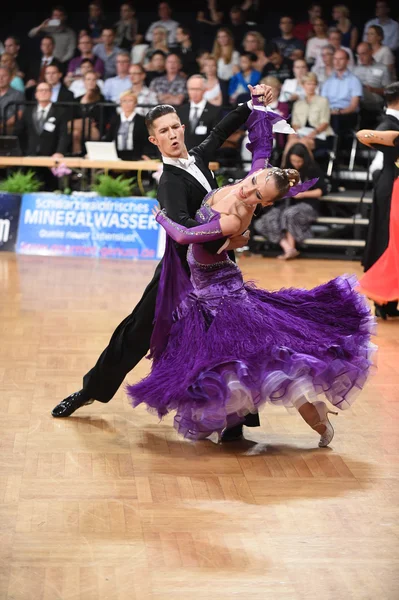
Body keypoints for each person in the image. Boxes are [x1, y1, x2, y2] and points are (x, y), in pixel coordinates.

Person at [126, 98, 375, 445]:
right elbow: (260, 143)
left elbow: (183, 234)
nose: (249, 190)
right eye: (254, 181)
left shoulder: (233, 217)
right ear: (257, 170)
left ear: (265, 202)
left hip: (224, 299)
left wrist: (160, 217)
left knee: (272, 365)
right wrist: (257, 106)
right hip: (206, 293)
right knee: (232, 367)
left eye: (258, 195)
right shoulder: (249, 176)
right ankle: (234, 429)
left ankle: (319, 422)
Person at [50, 83, 275, 428]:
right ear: (154, 140)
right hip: (179, 273)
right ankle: (89, 390)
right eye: (163, 132)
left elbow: (222, 129)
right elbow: (183, 229)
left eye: (174, 127)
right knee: (137, 333)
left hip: (216, 268)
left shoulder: (198, 157)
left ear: (182, 128)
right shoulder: (170, 182)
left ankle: (237, 417)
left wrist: (252, 102)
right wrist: (232, 233)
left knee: (229, 337)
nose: (171, 135)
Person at [360, 81, 399, 318]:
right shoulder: (390, 123)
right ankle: (383, 301)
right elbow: (363, 136)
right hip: (391, 188)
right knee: (387, 241)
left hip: (393, 186)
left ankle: (389, 300)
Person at [254, 142, 328, 259]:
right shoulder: (284, 170)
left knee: (289, 214)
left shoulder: (313, 169)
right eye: (294, 161)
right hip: (286, 203)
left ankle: (291, 248)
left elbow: (322, 191)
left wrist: (302, 194)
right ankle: (288, 247)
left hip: (307, 204)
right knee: (266, 220)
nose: (296, 164)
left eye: (299, 161)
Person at [177, 75, 222, 151]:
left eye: (198, 89)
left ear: (205, 90)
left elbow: (216, 138)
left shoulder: (214, 111)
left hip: (205, 155)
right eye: (191, 89)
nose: (194, 92)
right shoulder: (180, 110)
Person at [105, 90, 151, 160]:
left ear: (135, 103)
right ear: (121, 103)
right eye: (124, 101)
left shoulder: (142, 120)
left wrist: (146, 154)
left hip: (137, 156)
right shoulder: (115, 120)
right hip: (117, 156)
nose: (127, 104)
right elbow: (108, 138)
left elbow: (147, 140)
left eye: (130, 101)